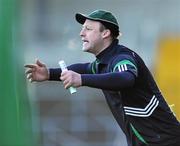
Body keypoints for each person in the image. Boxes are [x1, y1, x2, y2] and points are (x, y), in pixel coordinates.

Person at [25, 10, 180, 146]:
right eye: (82, 28)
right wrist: (49, 74)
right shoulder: (103, 62)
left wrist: (81, 79)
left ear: (105, 33)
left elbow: (126, 78)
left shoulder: (121, 57)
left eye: (88, 29)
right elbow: (84, 68)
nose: (81, 33)